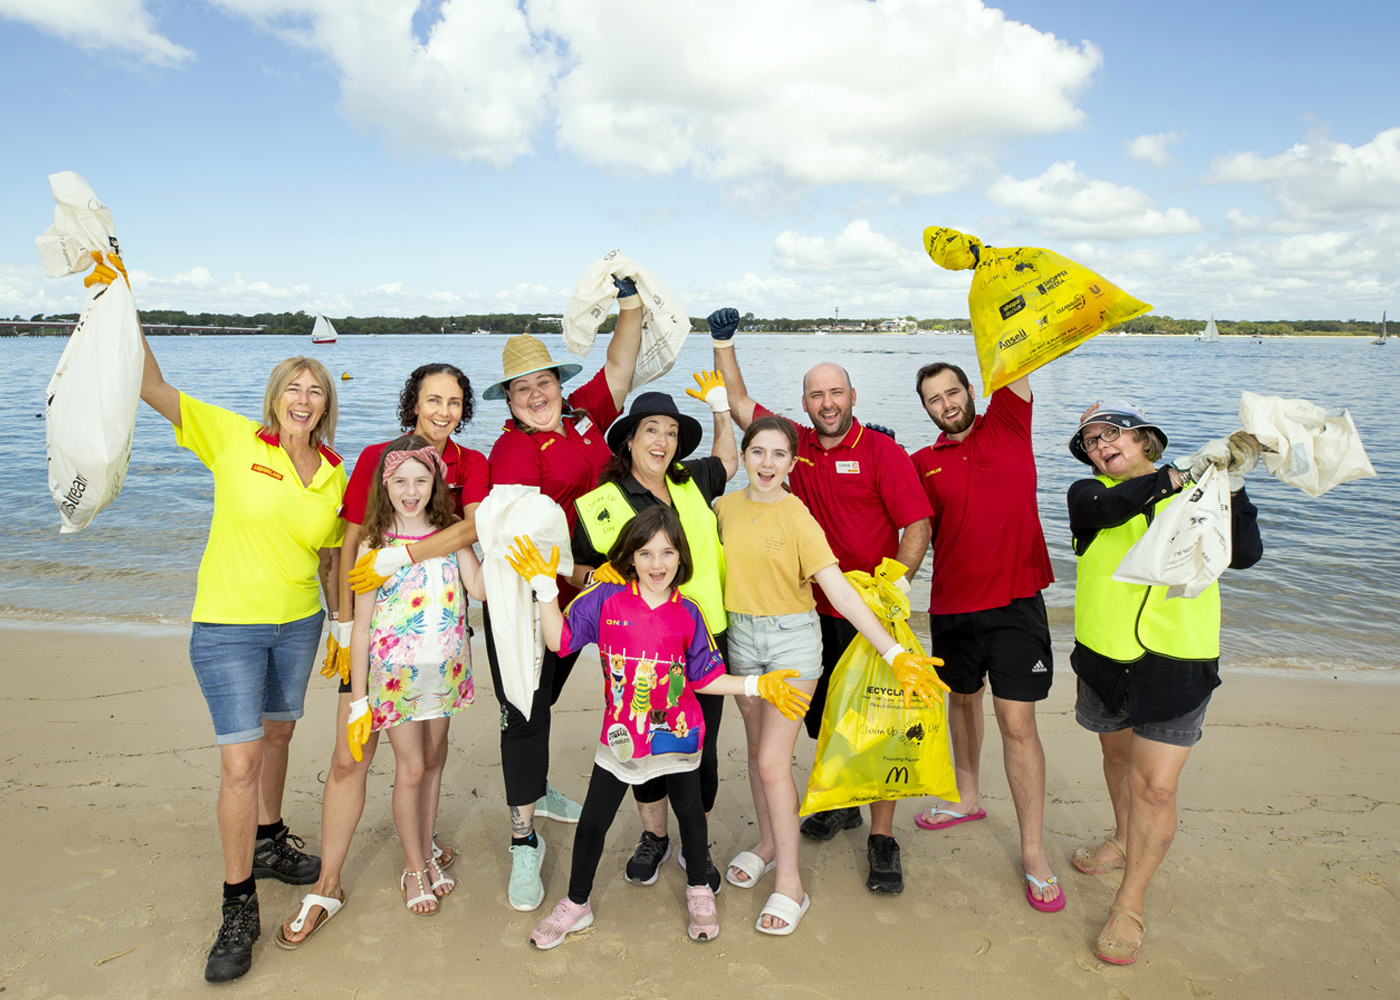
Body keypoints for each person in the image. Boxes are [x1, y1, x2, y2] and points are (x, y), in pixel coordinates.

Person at [353, 280, 644, 911]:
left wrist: (629, 302)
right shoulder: (512, 449)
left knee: (560, 701)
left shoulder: (585, 415)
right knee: (525, 711)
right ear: (508, 400)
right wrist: (581, 578)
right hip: (537, 596)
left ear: (560, 385)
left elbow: (620, 361)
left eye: (544, 382)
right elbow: (513, 538)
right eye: (522, 388)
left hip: (602, 591)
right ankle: (522, 839)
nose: (537, 394)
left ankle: (537, 788)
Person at [113, 253, 347, 983]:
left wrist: (342, 632)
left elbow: (334, 561)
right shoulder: (233, 438)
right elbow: (149, 384)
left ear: (326, 404)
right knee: (240, 761)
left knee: (280, 734)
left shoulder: (336, 473)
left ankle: (272, 840)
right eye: (293, 388)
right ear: (275, 396)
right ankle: (237, 900)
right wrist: (117, 291)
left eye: (315, 390)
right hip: (228, 629)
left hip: (299, 626)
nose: (303, 398)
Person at [506, 506, 812, 948]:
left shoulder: (689, 611)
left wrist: (756, 683)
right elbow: (560, 641)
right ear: (630, 557)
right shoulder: (603, 599)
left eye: (667, 552)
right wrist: (542, 591)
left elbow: (705, 676)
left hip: (678, 736)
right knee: (594, 822)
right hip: (621, 738)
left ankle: (699, 888)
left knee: (691, 816)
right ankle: (577, 903)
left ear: (681, 557)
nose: (657, 564)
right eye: (646, 553)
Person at [707, 306, 933, 894]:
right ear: (804, 405)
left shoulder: (883, 451)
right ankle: (840, 801)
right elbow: (740, 408)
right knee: (823, 727)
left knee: (877, 727)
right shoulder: (793, 449)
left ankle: (881, 837)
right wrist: (724, 343)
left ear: (852, 395)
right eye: (816, 395)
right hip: (808, 617)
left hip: (866, 609)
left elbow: (916, 525)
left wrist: (898, 584)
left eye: (836, 392)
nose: (827, 402)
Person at [279, 363, 487, 947]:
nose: (443, 411)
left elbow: (471, 536)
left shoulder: (472, 464)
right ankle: (329, 881)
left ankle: (420, 844)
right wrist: (344, 627)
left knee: (430, 754)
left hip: (440, 646)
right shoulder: (378, 455)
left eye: (454, 400)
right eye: (432, 399)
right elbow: (352, 540)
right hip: (379, 644)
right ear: (413, 404)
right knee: (352, 754)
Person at [716, 416, 948, 933]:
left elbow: (838, 590)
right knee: (757, 755)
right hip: (741, 639)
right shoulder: (724, 508)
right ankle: (771, 843)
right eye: (758, 452)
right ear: (746, 456)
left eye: (780, 454)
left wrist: (891, 652)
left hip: (793, 644)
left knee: (775, 762)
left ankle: (791, 885)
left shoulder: (798, 514)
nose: (768, 464)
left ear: (792, 462)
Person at [1065, 402, 1262, 965]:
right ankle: (1124, 838)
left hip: (1177, 660)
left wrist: (1235, 486)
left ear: (1147, 439)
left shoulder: (1201, 490)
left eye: (1115, 434)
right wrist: (1174, 477)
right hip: (1104, 657)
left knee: (1155, 786)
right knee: (1117, 760)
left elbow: (1245, 554)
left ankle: (1129, 903)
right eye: (1092, 440)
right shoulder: (1089, 494)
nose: (1103, 445)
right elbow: (1113, 505)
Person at [907, 363, 1063, 911]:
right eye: (934, 399)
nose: (947, 404)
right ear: (926, 409)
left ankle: (1034, 852)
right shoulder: (922, 463)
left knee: (1017, 724)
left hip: (1018, 604)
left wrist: (993, 277)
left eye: (953, 392)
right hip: (951, 609)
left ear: (972, 391)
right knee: (962, 701)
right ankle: (967, 798)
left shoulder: (1008, 424)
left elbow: (1016, 356)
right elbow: (910, 530)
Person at [571, 381, 737, 891]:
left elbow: (728, 460)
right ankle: (654, 837)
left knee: (698, 750)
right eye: (651, 431)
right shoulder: (601, 501)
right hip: (640, 647)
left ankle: (695, 839)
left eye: (670, 432)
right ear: (629, 440)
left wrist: (720, 407)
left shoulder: (694, 480)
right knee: (645, 749)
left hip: (706, 636)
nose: (662, 441)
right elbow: (576, 567)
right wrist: (595, 577)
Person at [344, 436, 485, 914]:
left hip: (445, 668)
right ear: (385, 485)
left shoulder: (450, 532)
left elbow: (479, 588)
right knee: (411, 768)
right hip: (396, 675)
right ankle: (412, 866)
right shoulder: (373, 542)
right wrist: (358, 698)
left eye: (421, 481)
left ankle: (427, 853)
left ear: (435, 484)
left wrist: (523, 558)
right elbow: (362, 627)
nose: (411, 491)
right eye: (400, 481)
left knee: (432, 762)